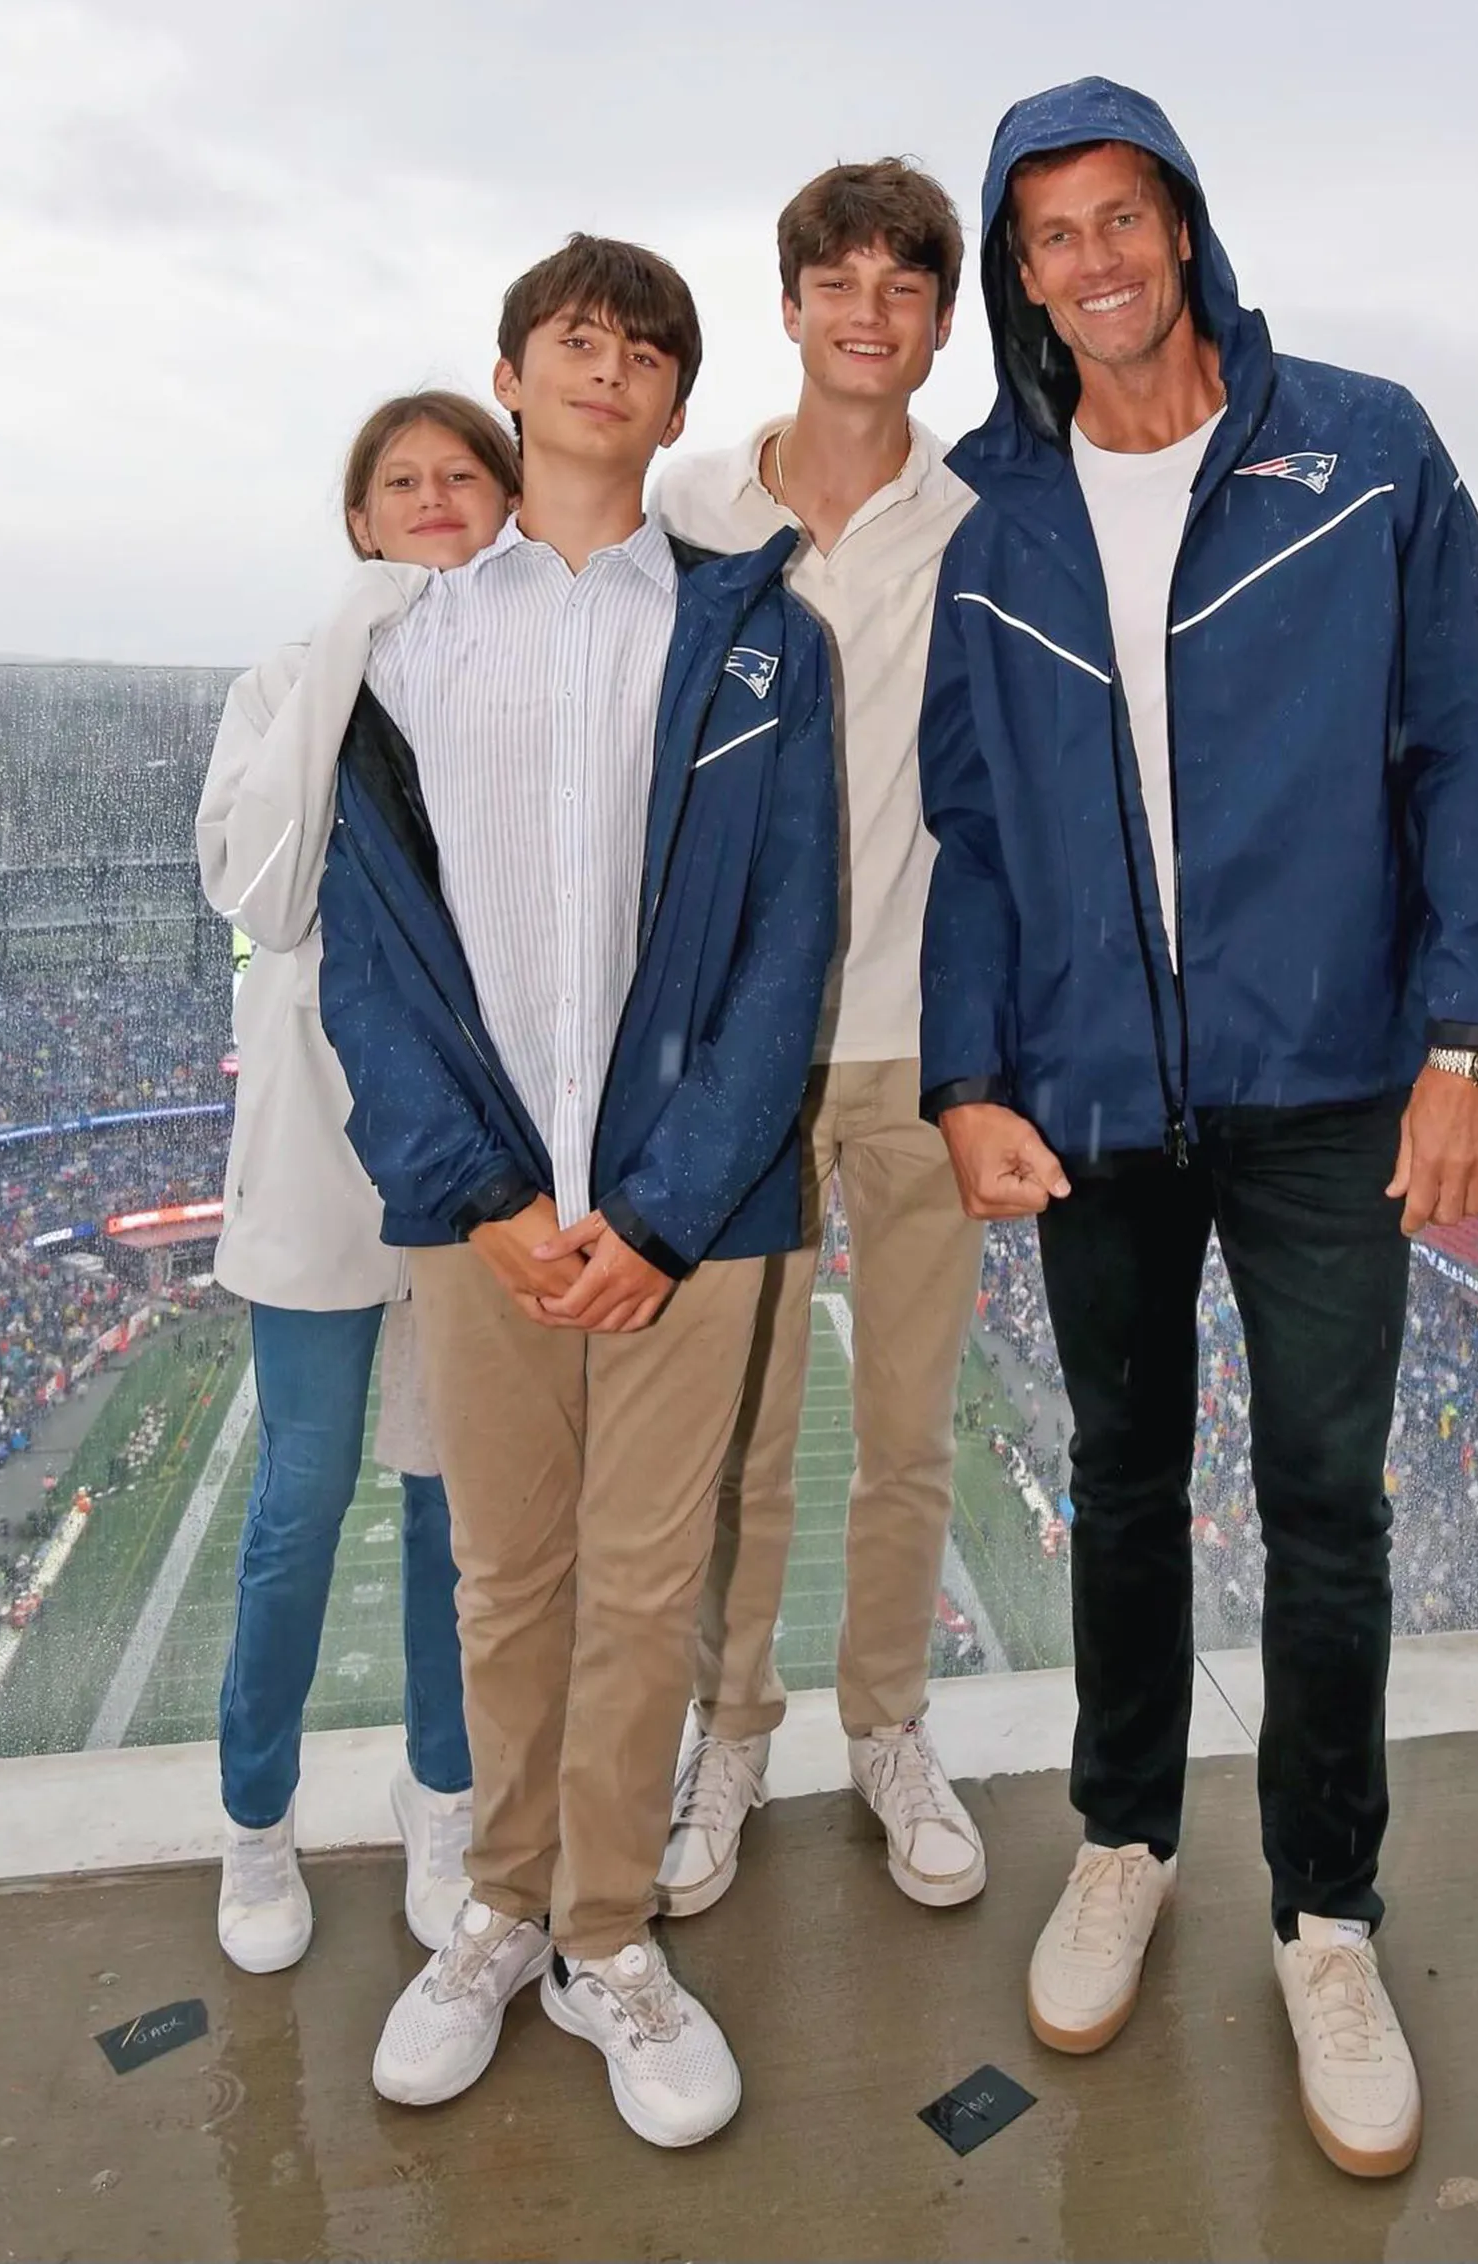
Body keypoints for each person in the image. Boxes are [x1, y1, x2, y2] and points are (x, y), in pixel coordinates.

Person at [919, 78, 1478, 2179]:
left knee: (1326, 1502)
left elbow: (1459, 745)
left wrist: (1473, 1039)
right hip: (1091, 1087)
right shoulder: (993, 514)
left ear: (1180, 230)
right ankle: (1121, 1835)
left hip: (1329, 1074)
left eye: (1121, 217)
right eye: (1049, 233)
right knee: (1116, 1476)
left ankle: (1327, 1915)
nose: (1090, 259)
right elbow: (973, 829)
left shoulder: (1360, 450)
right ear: (1021, 272)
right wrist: (966, 1075)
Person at [317, 233, 836, 2149]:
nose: (605, 365)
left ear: (678, 404)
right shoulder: (402, 644)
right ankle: (500, 1910)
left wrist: (671, 1207)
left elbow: (793, 942)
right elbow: (366, 950)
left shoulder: (762, 633)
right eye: (571, 337)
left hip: (680, 1214)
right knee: (504, 1576)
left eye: (643, 347)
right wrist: (474, 1194)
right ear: (513, 377)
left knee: (640, 1586)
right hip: (485, 1208)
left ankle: (607, 1932)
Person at [651, 159, 986, 1917]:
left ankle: (887, 1726)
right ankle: (728, 1734)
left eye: (903, 285)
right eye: (837, 279)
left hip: (927, 1044)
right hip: (744, 1051)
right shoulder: (688, 502)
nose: (868, 310)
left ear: (940, 320)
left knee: (913, 1427)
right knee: (741, 1438)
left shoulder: (983, 510)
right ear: (787, 306)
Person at [197, 390, 520, 1974]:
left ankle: (441, 1799)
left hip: (471, 1161)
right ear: (357, 518)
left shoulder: (526, 679)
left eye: (465, 471)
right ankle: (255, 1825)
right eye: (400, 480)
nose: (435, 495)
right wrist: (348, 647)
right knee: (298, 1510)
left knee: (456, 1514)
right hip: (320, 1171)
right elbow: (259, 882)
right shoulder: (279, 682)